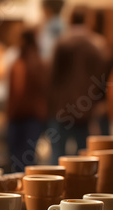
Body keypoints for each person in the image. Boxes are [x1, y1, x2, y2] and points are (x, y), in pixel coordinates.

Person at [47, 6, 108, 164]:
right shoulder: (98, 45)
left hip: (62, 109)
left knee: (58, 157)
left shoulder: (62, 42)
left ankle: (56, 188)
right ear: (89, 19)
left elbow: (52, 77)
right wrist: (99, 103)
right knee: (85, 159)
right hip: (86, 109)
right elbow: (104, 79)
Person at [6, 29, 48, 172]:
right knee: (23, 156)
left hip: (27, 117)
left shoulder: (31, 64)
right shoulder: (29, 63)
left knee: (23, 157)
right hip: (26, 117)